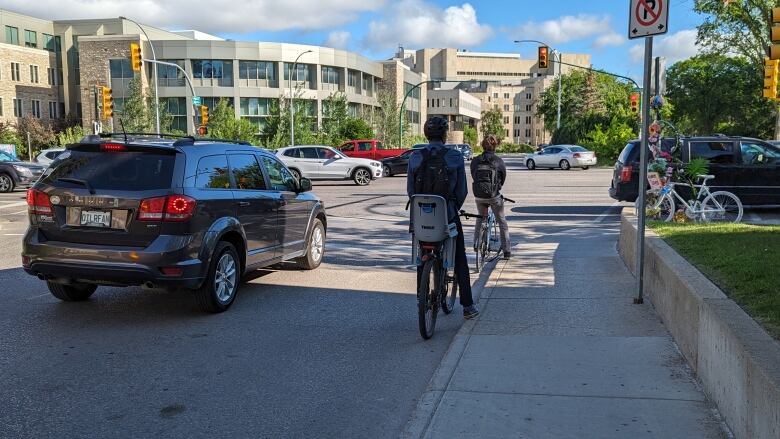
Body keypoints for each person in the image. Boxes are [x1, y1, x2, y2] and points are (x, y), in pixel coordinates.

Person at [407, 116, 479, 320]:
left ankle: (421, 298)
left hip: (422, 218)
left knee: (423, 254)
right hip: (446, 216)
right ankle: (467, 306)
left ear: (426, 135)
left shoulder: (415, 157)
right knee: (460, 258)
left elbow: (411, 191)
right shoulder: (454, 157)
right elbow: (462, 191)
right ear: (445, 135)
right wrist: (452, 208)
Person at [471, 135, 511, 259]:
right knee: (502, 221)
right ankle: (506, 251)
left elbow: (473, 175)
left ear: (483, 145)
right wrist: (496, 188)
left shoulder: (476, 160)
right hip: (494, 196)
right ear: (495, 146)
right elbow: (503, 178)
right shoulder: (498, 161)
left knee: (479, 217)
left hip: (478, 195)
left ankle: (476, 244)